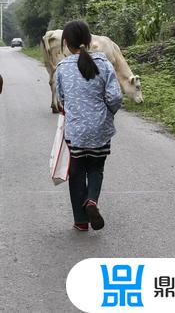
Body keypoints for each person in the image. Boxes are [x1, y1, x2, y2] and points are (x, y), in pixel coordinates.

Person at [55, 20, 122, 232]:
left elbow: (62, 99)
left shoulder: (62, 68)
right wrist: (107, 113)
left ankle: (81, 221)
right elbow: (115, 97)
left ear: (66, 43)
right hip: (100, 129)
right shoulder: (104, 64)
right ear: (90, 40)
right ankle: (91, 201)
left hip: (75, 131)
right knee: (96, 167)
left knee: (76, 172)